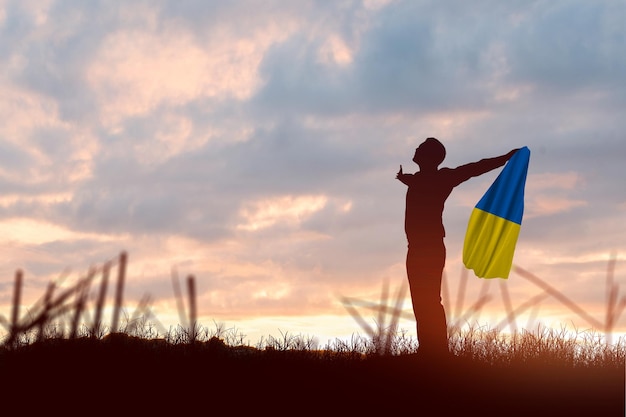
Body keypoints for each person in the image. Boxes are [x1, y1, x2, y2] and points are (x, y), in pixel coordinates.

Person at [396, 137, 518, 358]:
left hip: (429, 248)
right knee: (420, 301)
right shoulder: (419, 179)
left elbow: (475, 168)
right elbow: (420, 182)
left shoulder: (443, 177)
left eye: (421, 148)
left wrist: (506, 158)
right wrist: (406, 179)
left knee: (430, 300)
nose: (415, 149)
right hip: (415, 248)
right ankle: (427, 351)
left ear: (428, 156)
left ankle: (437, 352)